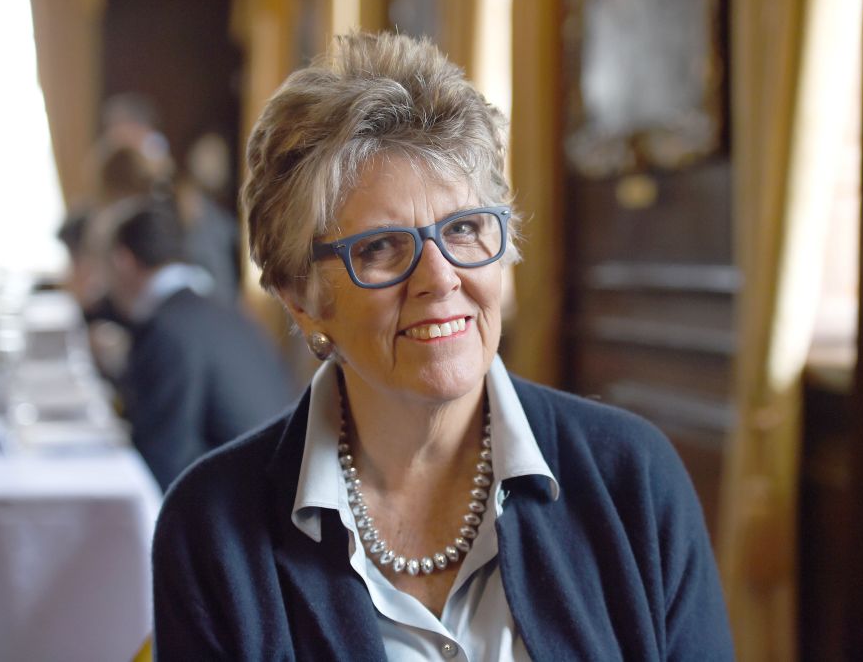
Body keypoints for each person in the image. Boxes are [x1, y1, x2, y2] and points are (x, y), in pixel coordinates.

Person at [152, 32, 733, 659]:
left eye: (463, 228)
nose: (439, 277)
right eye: (379, 247)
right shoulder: (210, 529)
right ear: (302, 297)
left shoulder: (634, 484)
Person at [107, 199, 297, 491]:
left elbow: (163, 459)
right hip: (276, 487)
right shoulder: (226, 311)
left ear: (123, 260)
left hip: (237, 508)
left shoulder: (167, 328)